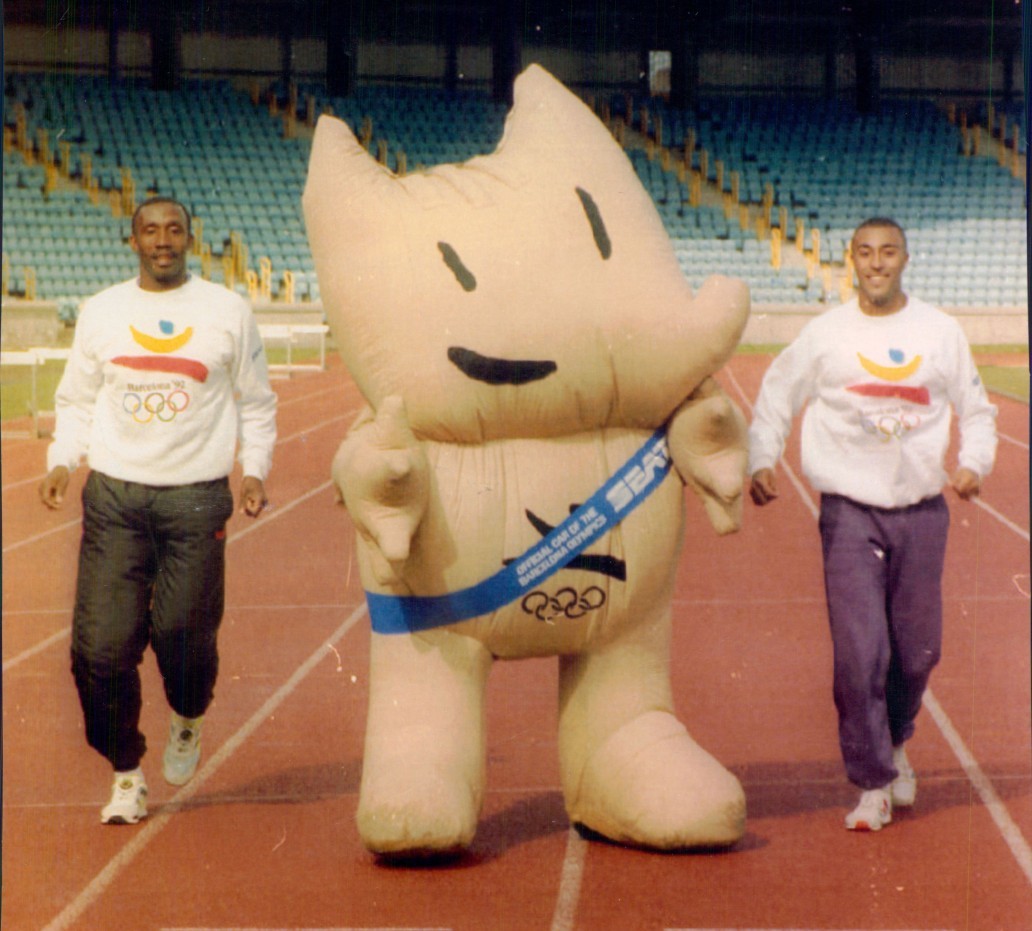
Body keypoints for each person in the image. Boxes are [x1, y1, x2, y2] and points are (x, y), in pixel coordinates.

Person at [747, 217, 997, 832]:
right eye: (865, 252)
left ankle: (896, 739)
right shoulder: (826, 334)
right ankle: (873, 783)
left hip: (921, 513)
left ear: (905, 259)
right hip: (849, 513)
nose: (876, 263)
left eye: (888, 252)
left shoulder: (939, 331)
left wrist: (973, 463)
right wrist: (762, 457)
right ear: (851, 261)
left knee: (918, 653)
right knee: (860, 654)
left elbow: (977, 409)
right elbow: (778, 393)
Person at [39, 196, 277, 824]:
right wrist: (62, 460)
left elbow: (256, 403)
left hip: (195, 499)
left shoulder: (227, 311)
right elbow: (76, 401)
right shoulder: (102, 311)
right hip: (115, 500)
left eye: (174, 229)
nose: (162, 240)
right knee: (98, 651)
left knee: (182, 636)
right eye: (150, 230)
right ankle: (125, 773)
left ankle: (188, 715)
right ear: (133, 241)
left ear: (189, 239)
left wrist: (254, 470)